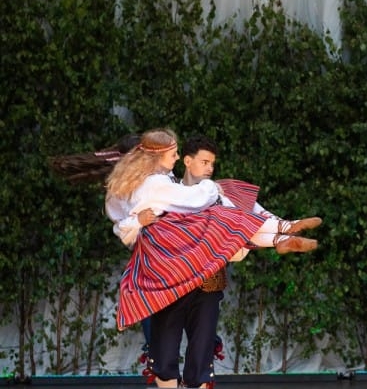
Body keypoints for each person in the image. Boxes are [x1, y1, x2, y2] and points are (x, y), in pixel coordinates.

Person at [104, 128, 319, 332]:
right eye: (173, 155)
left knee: (229, 205)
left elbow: (178, 201)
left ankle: (280, 232)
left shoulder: (158, 181)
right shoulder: (151, 184)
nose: (176, 158)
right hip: (169, 254)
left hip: (184, 256)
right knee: (224, 215)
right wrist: (210, 189)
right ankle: (282, 229)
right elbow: (189, 200)